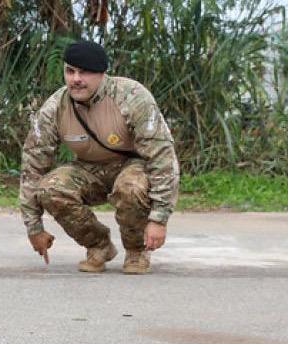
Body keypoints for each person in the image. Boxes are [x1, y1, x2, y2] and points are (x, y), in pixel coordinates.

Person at [18, 39, 179, 274]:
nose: (76, 79)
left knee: (131, 187)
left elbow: (162, 157)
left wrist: (159, 219)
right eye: (70, 71)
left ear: (102, 74)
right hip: (88, 169)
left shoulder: (132, 97)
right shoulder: (55, 107)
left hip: (132, 168)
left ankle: (136, 251)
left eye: (84, 72)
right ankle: (98, 246)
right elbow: (32, 165)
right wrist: (34, 227)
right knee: (49, 189)